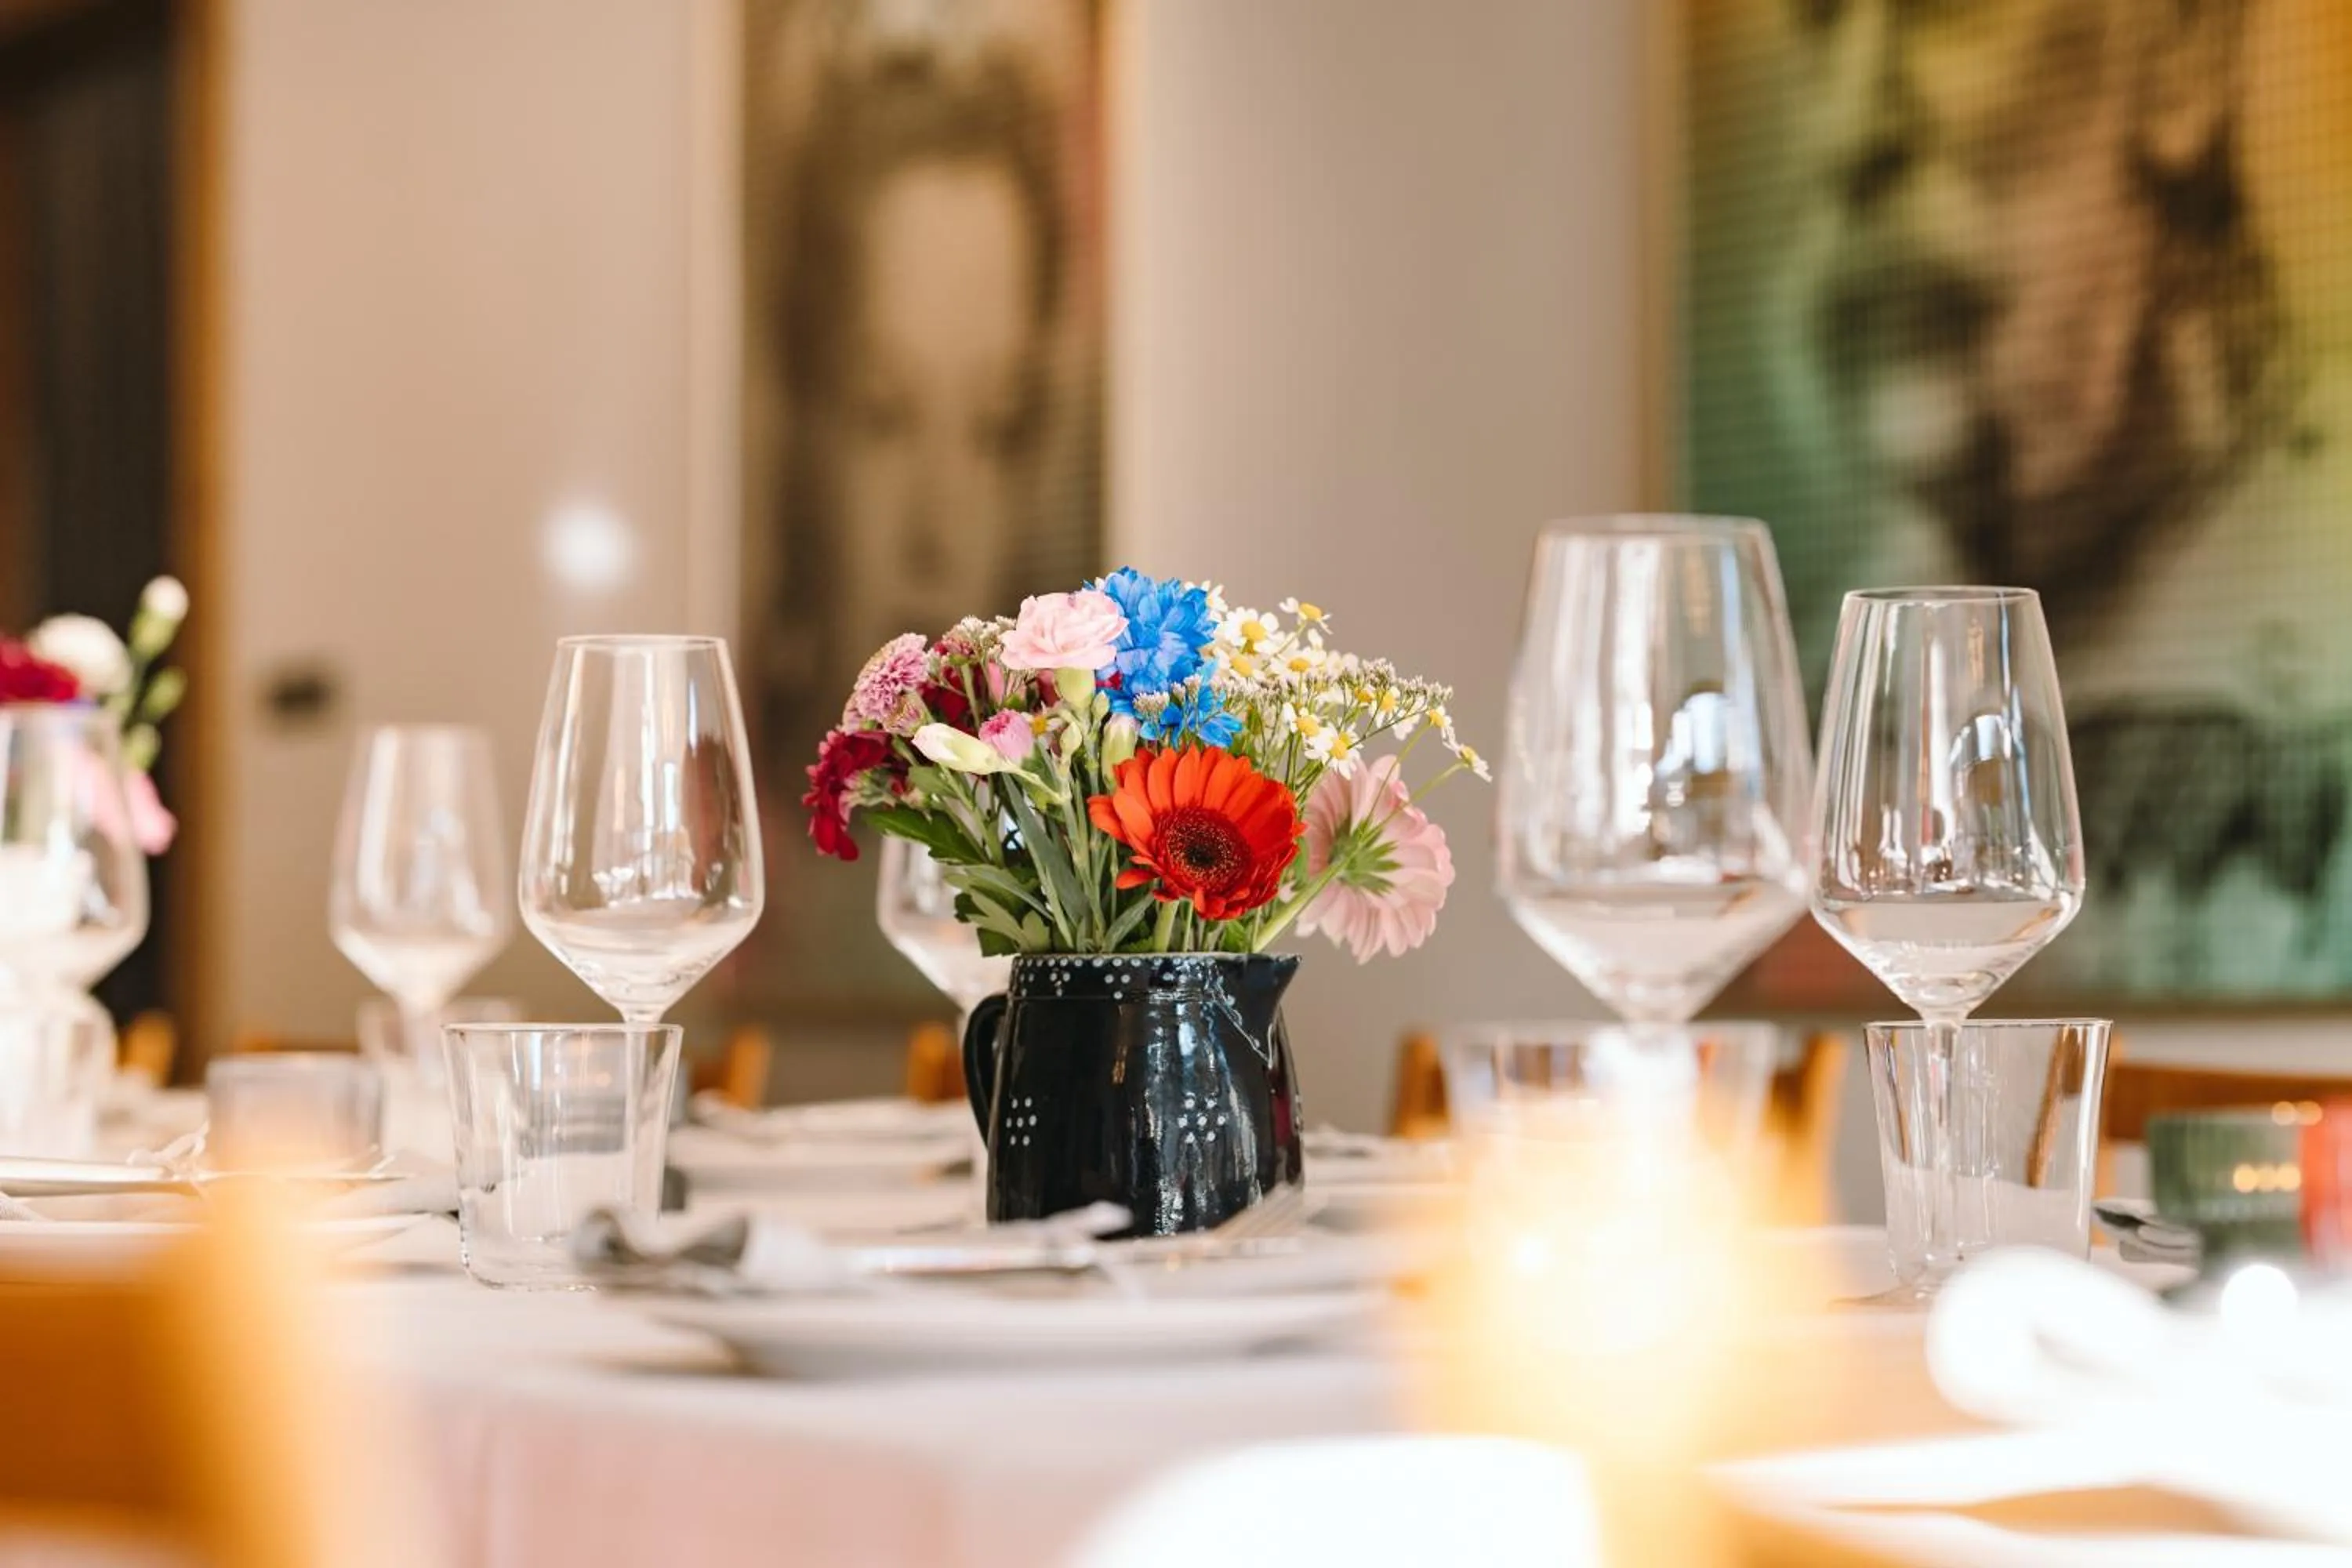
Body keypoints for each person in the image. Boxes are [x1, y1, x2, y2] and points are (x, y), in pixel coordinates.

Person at [1777, 0, 2352, 992]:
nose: (1846, 131)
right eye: (1821, 25)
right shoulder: (1820, 686)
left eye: (1939, 13)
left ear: (2184, 58)